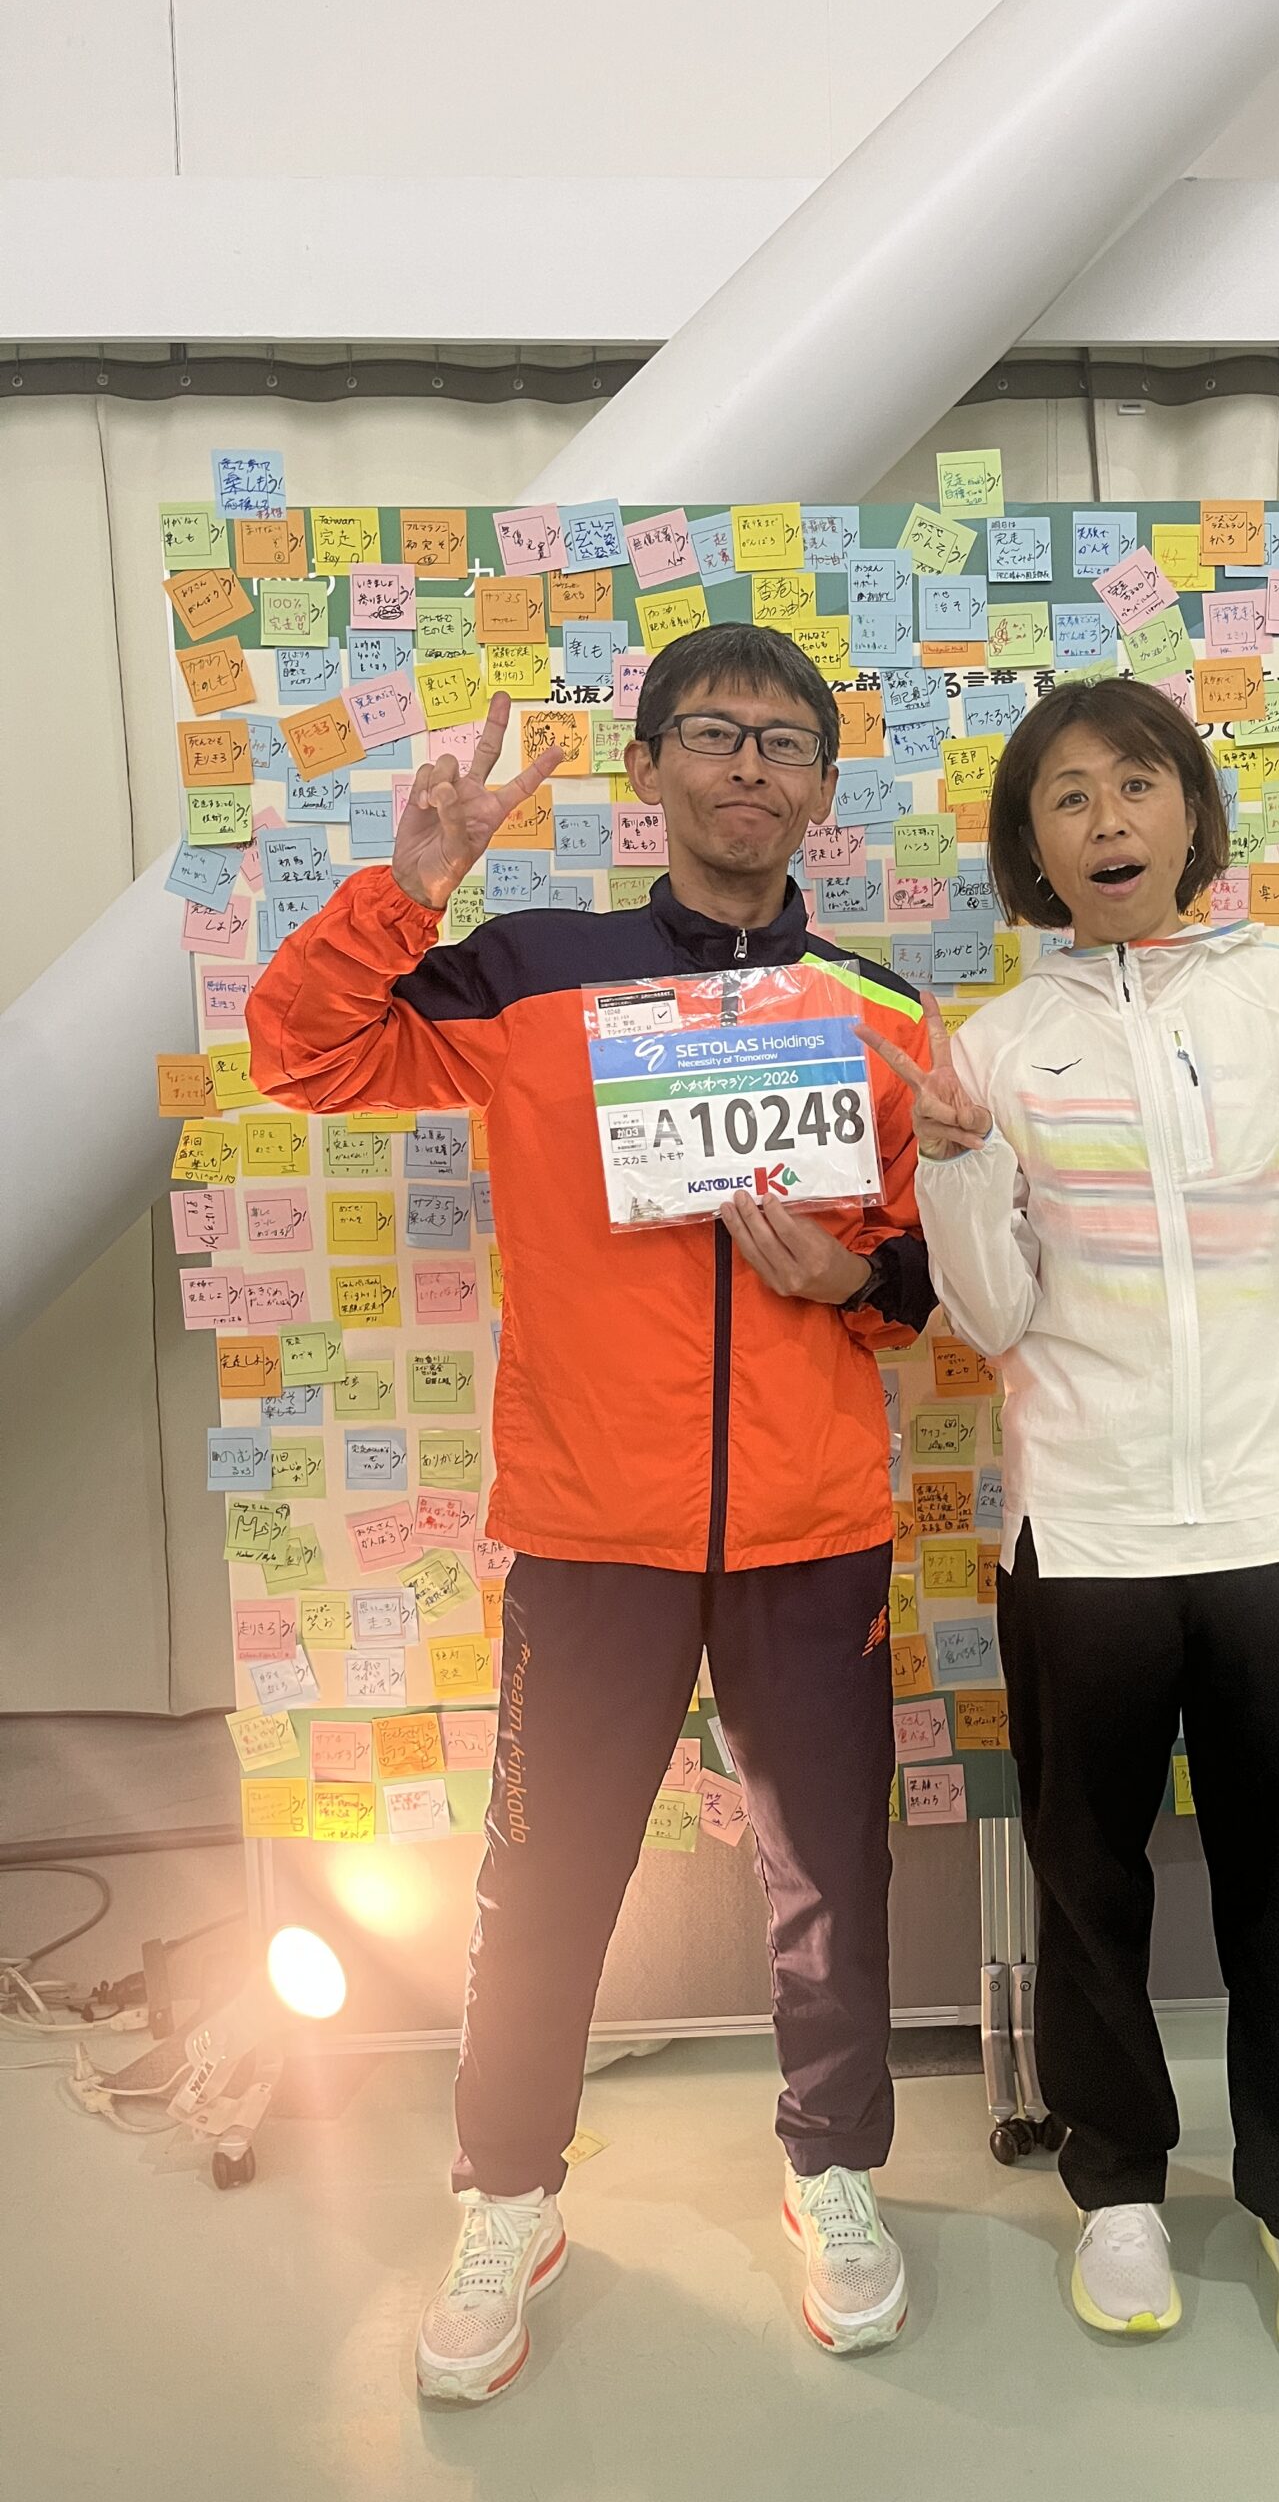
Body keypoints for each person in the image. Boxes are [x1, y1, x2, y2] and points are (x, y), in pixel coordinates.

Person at [248, 626, 936, 2400]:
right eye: (712, 733)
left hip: (811, 1525)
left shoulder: (877, 1008)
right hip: (586, 1524)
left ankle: (832, 2170)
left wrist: (851, 1279)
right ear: (646, 768)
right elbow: (303, 1058)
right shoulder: (529, 972)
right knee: (544, 1878)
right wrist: (409, 891)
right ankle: (507, 2196)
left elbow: (924, 1275)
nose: (748, 766)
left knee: (830, 1876)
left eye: (785, 743)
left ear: (821, 791)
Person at [860, 676, 1279, 2362]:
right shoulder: (994, 1047)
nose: (1107, 821)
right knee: (1085, 1885)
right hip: (1084, 1540)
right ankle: (1121, 2192)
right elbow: (993, 1315)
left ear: (1190, 819)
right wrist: (955, 1167)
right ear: (1031, 847)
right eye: (1068, 796)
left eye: (1136, 785)